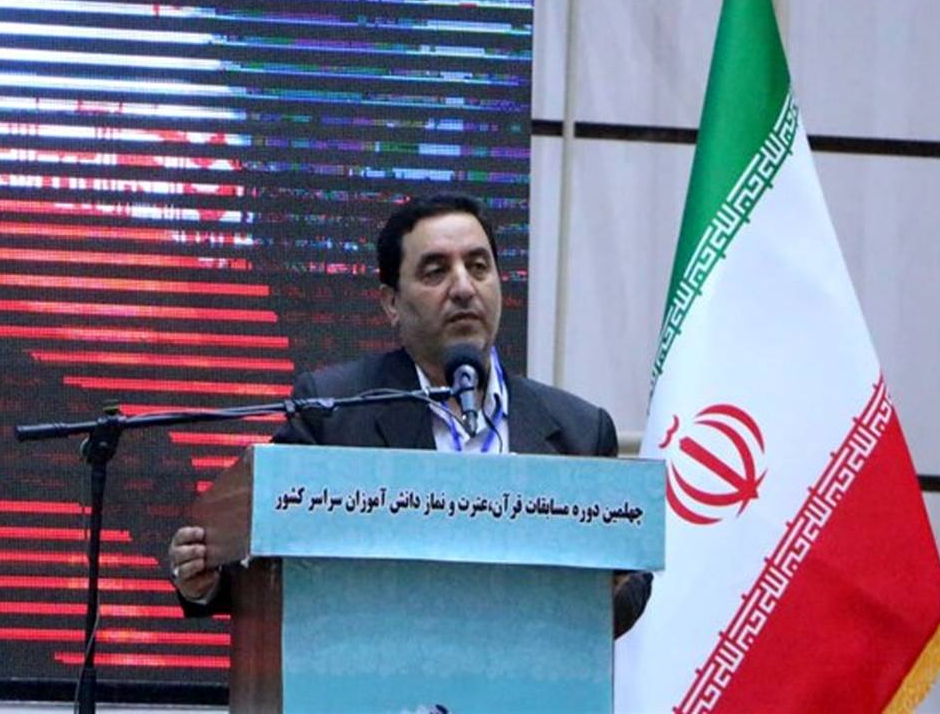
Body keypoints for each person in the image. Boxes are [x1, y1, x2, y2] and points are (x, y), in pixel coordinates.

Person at [168, 194, 652, 636]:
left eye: (478, 267)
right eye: (436, 271)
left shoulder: (578, 429)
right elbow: (265, 554)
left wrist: (609, 588)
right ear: (392, 304)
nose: (463, 288)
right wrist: (207, 580)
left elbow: (628, 584)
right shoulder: (334, 412)